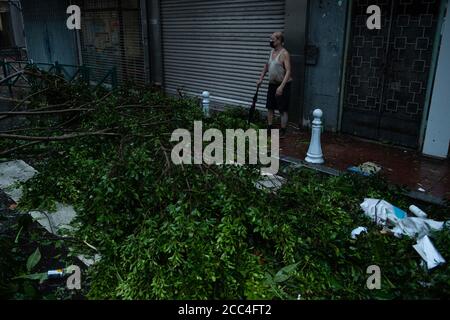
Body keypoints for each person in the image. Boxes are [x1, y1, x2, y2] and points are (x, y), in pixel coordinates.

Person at [257, 32, 292, 138]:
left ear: (279, 41)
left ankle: (283, 130)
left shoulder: (284, 53)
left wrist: (281, 87)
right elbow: (267, 66)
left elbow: (289, 71)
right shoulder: (271, 51)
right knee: (270, 107)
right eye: (270, 39)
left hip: (283, 85)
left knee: (282, 109)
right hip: (272, 84)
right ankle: (269, 127)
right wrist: (261, 79)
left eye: (273, 39)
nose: (270, 41)